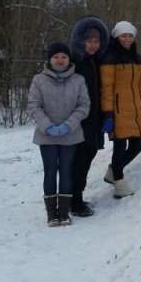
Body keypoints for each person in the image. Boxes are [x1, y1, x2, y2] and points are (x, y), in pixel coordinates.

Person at [27, 42, 90, 227]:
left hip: (70, 135)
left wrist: (69, 125)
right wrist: (47, 125)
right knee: (50, 172)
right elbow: (33, 105)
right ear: (49, 59)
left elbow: (83, 105)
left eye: (63, 57)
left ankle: (63, 212)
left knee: (66, 172)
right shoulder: (39, 80)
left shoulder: (78, 80)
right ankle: (51, 214)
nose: (60, 60)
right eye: (56, 57)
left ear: (69, 59)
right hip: (46, 135)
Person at [100, 20, 141, 199]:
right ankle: (119, 184)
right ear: (117, 36)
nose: (127, 39)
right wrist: (107, 115)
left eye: (130, 35)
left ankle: (113, 172)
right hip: (118, 111)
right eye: (124, 35)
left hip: (136, 110)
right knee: (119, 147)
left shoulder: (137, 58)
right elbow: (106, 89)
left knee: (136, 147)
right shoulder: (109, 57)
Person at [68, 15, 110, 217]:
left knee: (89, 155)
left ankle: (76, 196)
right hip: (78, 120)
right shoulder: (73, 61)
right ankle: (74, 201)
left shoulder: (98, 61)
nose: (93, 45)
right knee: (79, 159)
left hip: (96, 119)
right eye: (89, 41)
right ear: (80, 41)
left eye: (96, 41)